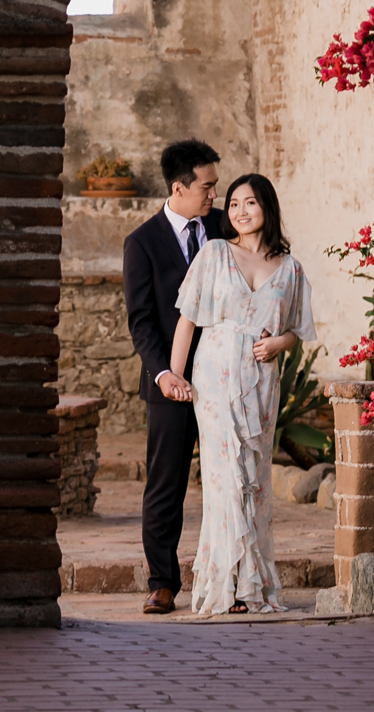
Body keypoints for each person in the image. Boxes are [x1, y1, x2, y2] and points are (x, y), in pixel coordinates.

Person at [167, 173, 315, 617]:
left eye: (250, 203)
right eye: (233, 204)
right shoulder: (214, 253)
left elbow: (298, 329)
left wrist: (277, 344)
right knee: (223, 478)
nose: (240, 211)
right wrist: (176, 376)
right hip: (214, 377)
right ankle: (225, 585)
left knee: (254, 478)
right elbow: (187, 319)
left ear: (267, 208)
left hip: (260, 380)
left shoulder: (290, 269)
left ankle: (253, 584)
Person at [122, 137, 225, 616]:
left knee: (232, 478)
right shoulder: (141, 243)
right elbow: (141, 321)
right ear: (179, 187)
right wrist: (163, 374)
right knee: (166, 484)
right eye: (206, 188)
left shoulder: (225, 228)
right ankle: (162, 582)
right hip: (170, 384)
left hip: (226, 379)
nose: (213, 197)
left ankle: (231, 577)